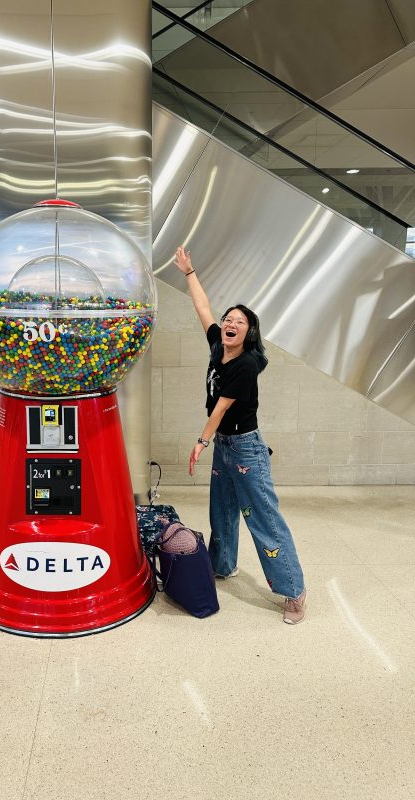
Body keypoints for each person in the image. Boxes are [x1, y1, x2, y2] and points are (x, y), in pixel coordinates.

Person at [174, 245, 307, 624]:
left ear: (249, 334)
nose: (229, 323)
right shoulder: (218, 345)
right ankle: (223, 566)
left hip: (246, 448)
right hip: (226, 446)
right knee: (223, 511)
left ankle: (294, 590)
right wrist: (189, 272)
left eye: (239, 322)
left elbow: (220, 409)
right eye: (228, 319)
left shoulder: (247, 364)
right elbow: (202, 307)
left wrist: (200, 443)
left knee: (263, 518)